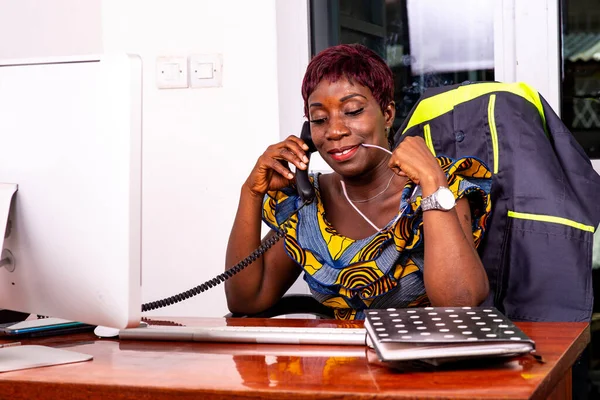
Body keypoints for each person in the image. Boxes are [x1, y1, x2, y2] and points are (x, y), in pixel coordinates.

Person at [225, 44, 492, 320]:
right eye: (319, 119)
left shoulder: (438, 188)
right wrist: (251, 193)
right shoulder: (306, 205)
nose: (335, 131)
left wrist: (433, 182)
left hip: (417, 358)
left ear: (387, 115)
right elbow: (247, 299)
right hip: (334, 360)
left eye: (352, 111)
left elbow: (461, 304)